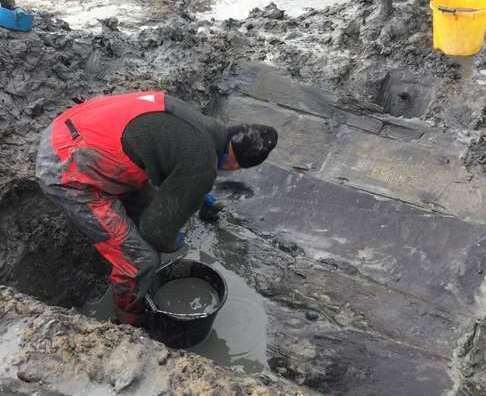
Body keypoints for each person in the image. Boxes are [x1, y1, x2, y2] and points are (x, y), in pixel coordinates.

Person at [35, 91, 278, 325]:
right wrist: (175, 243)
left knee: (148, 208)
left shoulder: (198, 123)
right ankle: (128, 321)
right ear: (236, 165)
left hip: (73, 129)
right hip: (65, 168)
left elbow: (170, 158)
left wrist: (197, 195)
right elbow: (155, 231)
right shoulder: (201, 164)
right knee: (142, 260)